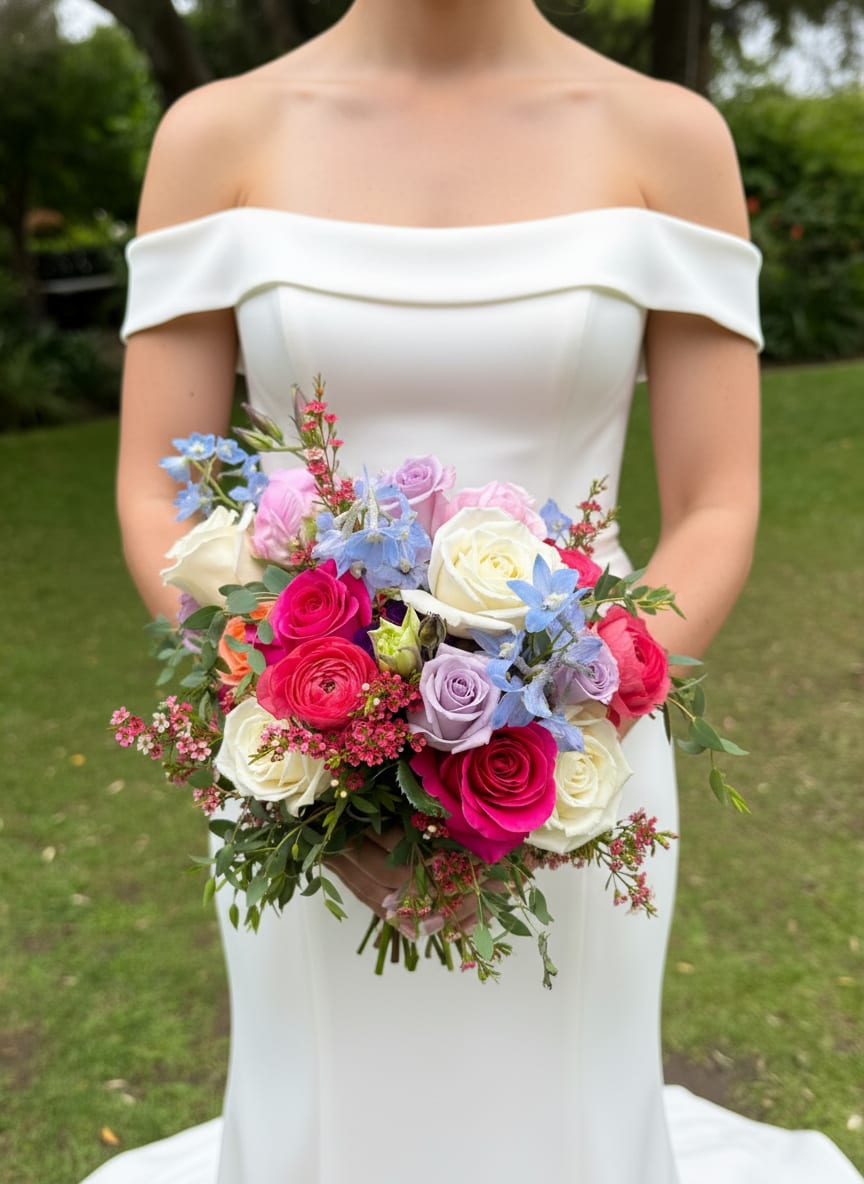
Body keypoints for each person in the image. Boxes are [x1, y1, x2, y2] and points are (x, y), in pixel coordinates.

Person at [83, 2, 862, 1182]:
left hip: (581, 768)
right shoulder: (214, 138)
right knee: (323, 1109)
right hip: (300, 773)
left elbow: (717, 503)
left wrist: (578, 714)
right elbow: (160, 497)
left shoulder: (671, 138)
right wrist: (297, 718)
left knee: (568, 1116)